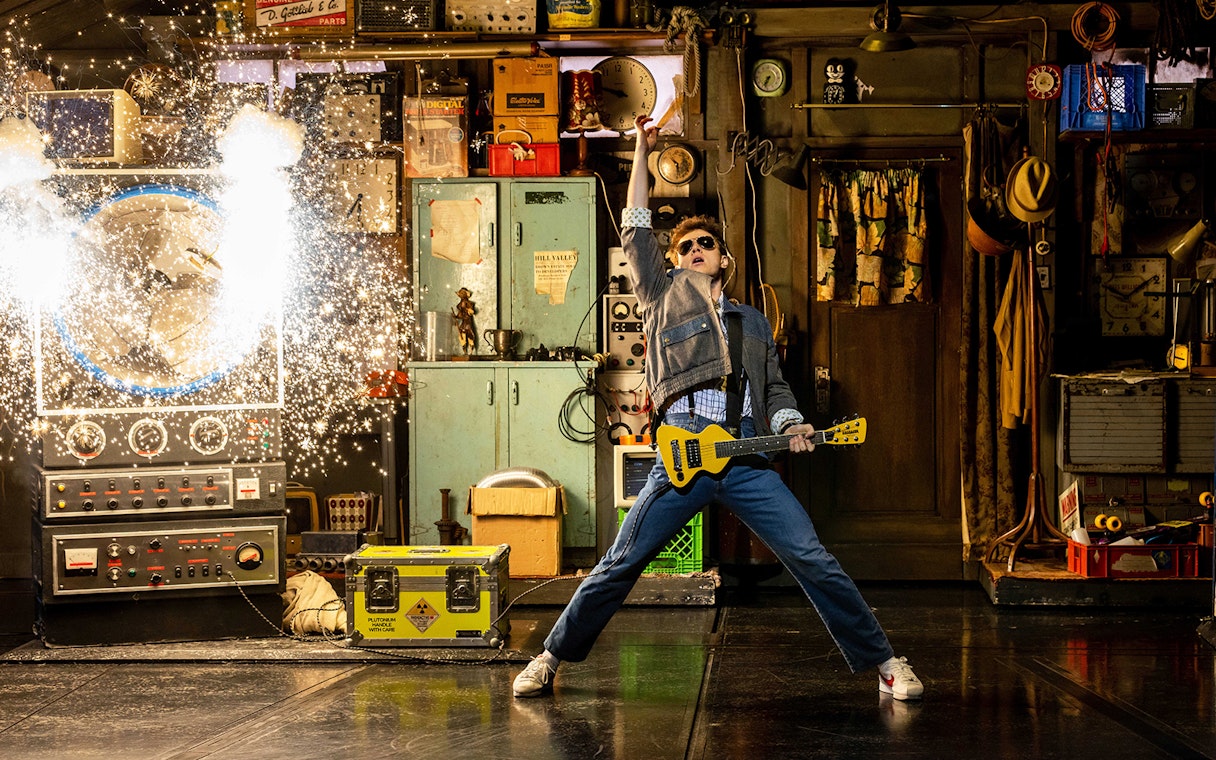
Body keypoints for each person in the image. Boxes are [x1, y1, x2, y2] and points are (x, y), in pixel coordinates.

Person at [513, 115, 924, 702]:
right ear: (674, 261)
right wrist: (639, 148)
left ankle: (884, 661)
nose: (696, 251)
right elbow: (634, 229)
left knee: (812, 556)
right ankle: (551, 657)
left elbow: (776, 391)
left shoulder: (754, 322)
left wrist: (792, 425)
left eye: (707, 244)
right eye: (686, 247)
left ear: (724, 259)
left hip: (747, 457)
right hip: (682, 454)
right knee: (620, 562)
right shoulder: (662, 294)